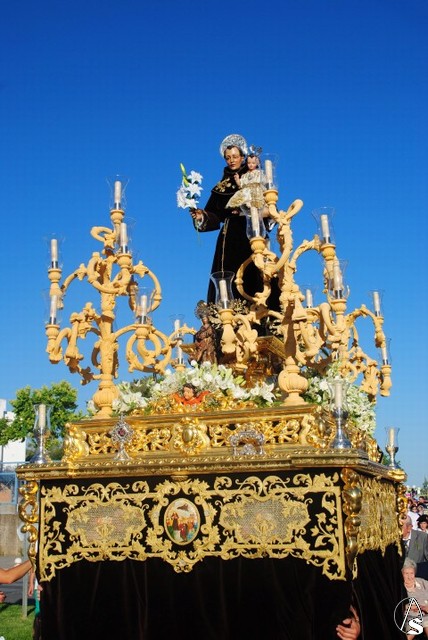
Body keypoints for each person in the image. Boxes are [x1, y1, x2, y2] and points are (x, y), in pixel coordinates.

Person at [190, 135, 278, 308]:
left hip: (254, 231)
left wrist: (261, 212)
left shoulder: (255, 176)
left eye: (235, 157)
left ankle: (264, 312)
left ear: (243, 157)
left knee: (258, 270)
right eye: (228, 157)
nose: (231, 160)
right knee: (229, 274)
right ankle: (230, 313)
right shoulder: (220, 188)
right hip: (229, 239)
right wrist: (201, 216)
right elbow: (214, 215)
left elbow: (268, 203)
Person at [402, 557, 428, 638]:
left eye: (411, 573)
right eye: (406, 574)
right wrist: (409, 607)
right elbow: (399, 605)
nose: (409, 577)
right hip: (412, 617)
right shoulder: (399, 587)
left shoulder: (422, 582)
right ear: (402, 574)